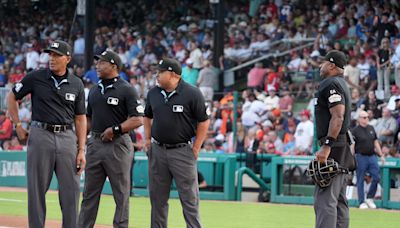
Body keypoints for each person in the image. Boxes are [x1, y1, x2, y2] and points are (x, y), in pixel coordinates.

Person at [7, 40, 87, 228]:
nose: (51, 58)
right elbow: (12, 96)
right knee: (36, 190)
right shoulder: (35, 77)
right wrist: (18, 125)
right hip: (40, 134)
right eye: (50, 54)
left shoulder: (76, 83)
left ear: (67, 58)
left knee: (72, 190)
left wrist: (81, 149)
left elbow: (80, 118)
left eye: (56, 55)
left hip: (67, 137)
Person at [78, 51, 144, 227]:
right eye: (97, 63)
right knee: (89, 194)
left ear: (114, 66)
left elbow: (138, 118)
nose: (97, 66)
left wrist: (116, 129)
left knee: (121, 195)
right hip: (95, 143)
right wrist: (81, 140)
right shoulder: (94, 90)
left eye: (102, 63)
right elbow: (89, 119)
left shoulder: (127, 89)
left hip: (118, 144)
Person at [144, 58, 210, 228]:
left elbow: (204, 121)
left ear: (173, 74)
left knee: (189, 200)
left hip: (182, 151)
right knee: (157, 199)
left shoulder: (192, 93)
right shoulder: (153, 93)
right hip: (158, 149)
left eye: (160, 72)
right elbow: (147, 116)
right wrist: (147, 139)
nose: (156, 76)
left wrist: (196, 147)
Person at [314, 50, 354, 228]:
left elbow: (337, 116)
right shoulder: (341, 83)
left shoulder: (330, 83)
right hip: (343, 144)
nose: (320, 66)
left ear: (331, 65)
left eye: (323, 63)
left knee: (325, 199)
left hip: (334, 146)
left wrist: (327, 146)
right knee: (339, 199)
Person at [351, 110, 385, 209]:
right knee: (360, 179)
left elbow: (376, 143)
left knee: (377, 177)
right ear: (360, 119)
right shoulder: (355, 130)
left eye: (367, 117)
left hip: (372, 156)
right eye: (364, 117)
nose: (366, 119)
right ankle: (361, 201)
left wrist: (381, 155)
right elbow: (352, 145)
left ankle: (370, 197)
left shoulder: (371, 128)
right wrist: (351, 158)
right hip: (360, 156)